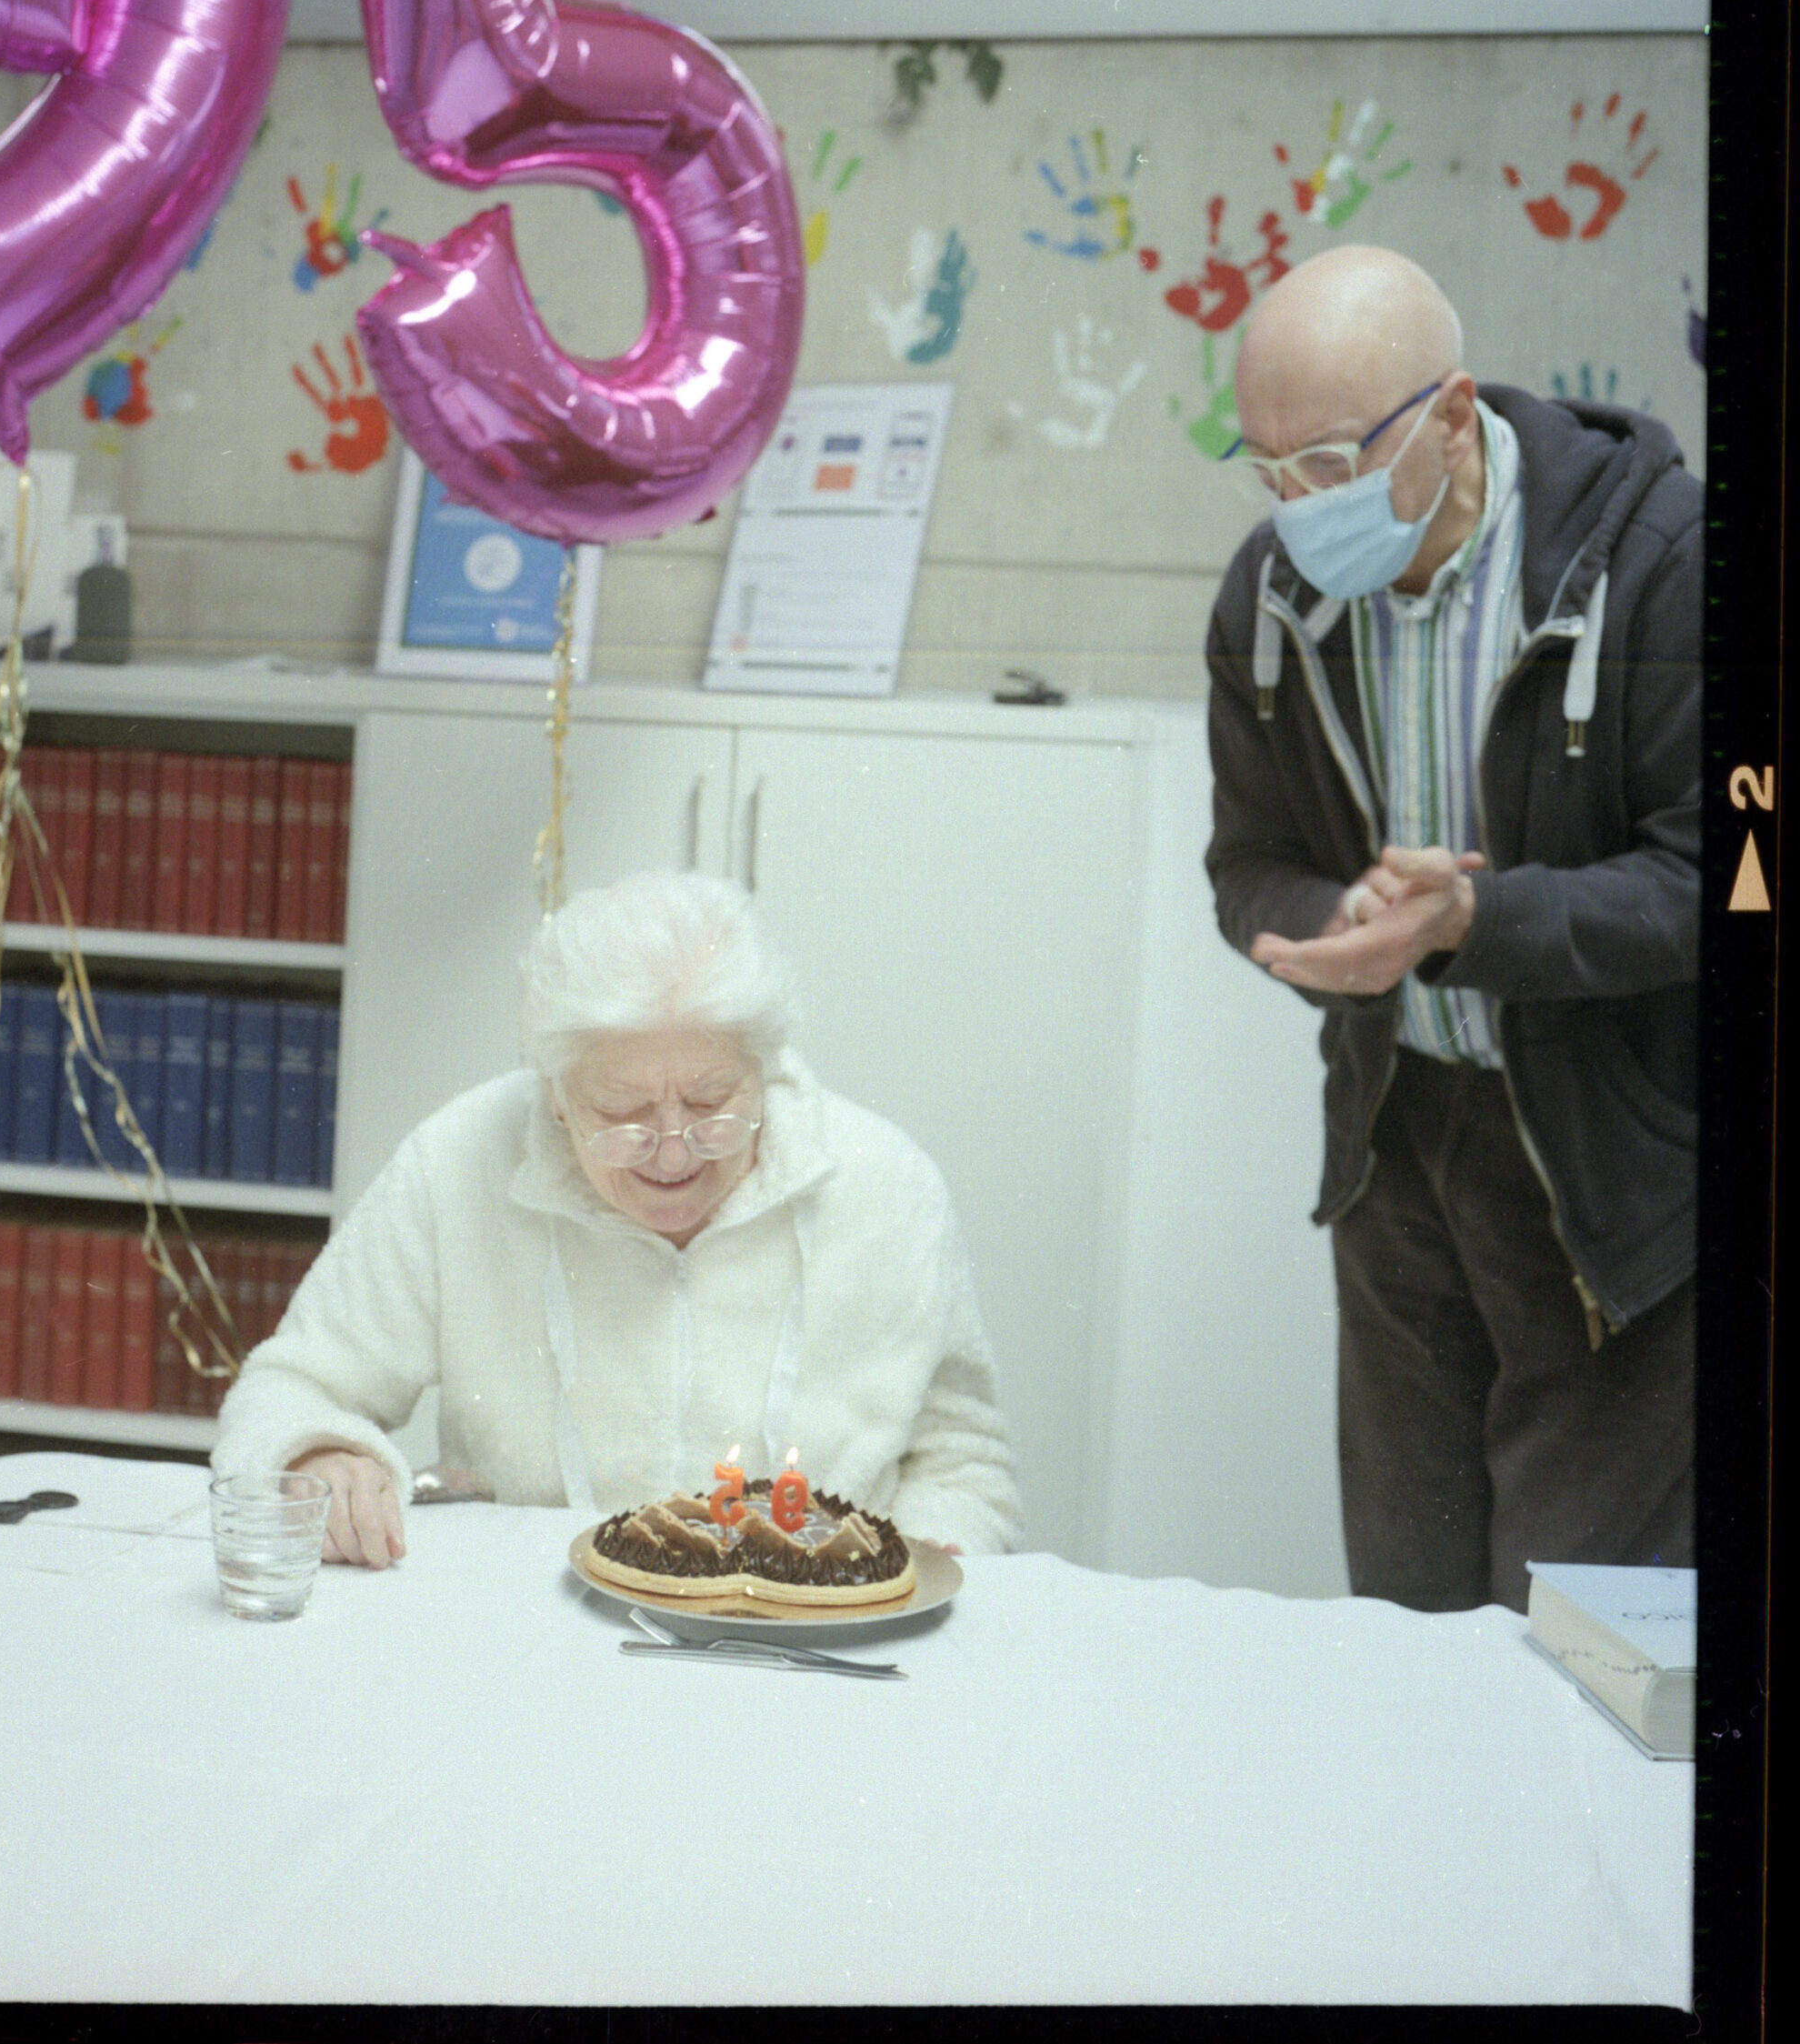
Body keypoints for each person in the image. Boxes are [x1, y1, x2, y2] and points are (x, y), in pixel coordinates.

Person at [1202, 244, 1698, 1615]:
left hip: (1613, 1171)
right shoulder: (1271, 600)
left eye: (1329, 463)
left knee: (1577, 1640)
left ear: (1451, 409)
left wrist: (1479, 921)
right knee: (1406, 1612)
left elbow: (1733, 882)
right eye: (1266, 468)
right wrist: (1338, 918)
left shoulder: (1672, 564)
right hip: (1399, 1145)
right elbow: (1248, 862)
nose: (1300, 507)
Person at [213, 869, 1025, 1568]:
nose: (672, 1152)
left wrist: (932, 1558)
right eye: (622, 1110)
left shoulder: (889, 1185)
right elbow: (289, 1387)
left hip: (817, 1647)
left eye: (711, 1101)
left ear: (765, 1068)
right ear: (556, 1095)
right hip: (533, 1634)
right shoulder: (458, 1158)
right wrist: (318, 1450)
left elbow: (963, 1464)